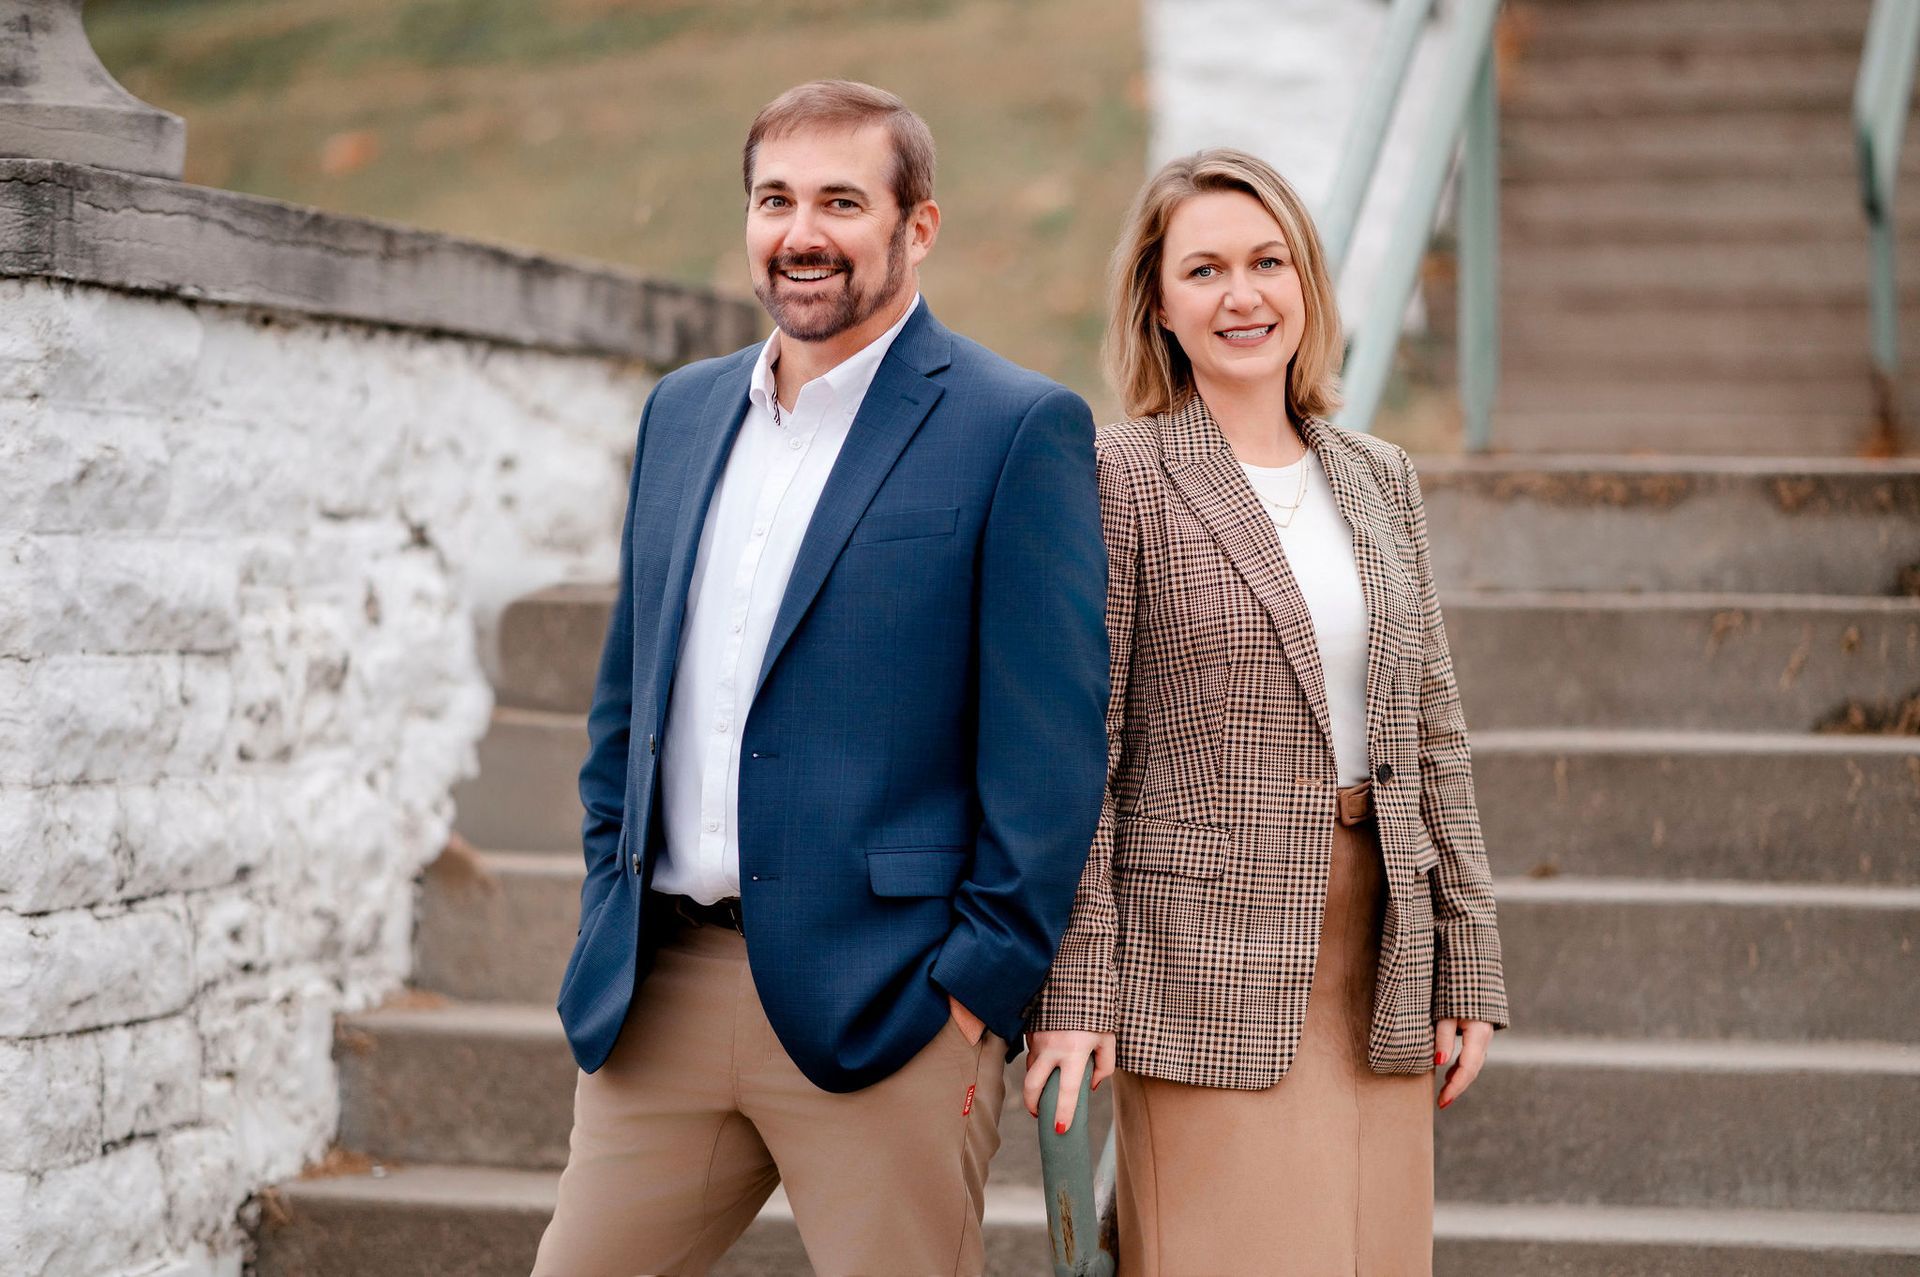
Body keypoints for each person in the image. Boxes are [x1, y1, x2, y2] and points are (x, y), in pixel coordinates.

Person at [532, 80, 1108, 1277]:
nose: (802, 232)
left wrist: (974, 986)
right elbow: (625, 707)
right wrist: (607, 897)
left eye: (843, 201)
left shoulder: (1013, 428)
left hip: (890, 1007)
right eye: (775, 199)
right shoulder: (683, 414)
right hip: (663, 998)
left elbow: (1049, 753)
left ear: (919, 225)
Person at [1024, 148, 1508, 1276]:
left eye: (1266, 261)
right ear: (1158, 301)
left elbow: (1435, 730)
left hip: (1379, 954)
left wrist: (1469, 959)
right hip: (1201, 959)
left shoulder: (1380, 474)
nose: (1242, 295)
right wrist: (1075, 989)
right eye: (1204, 270)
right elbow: (1078, 755)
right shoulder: (1117, 473)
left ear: (1307, 284)